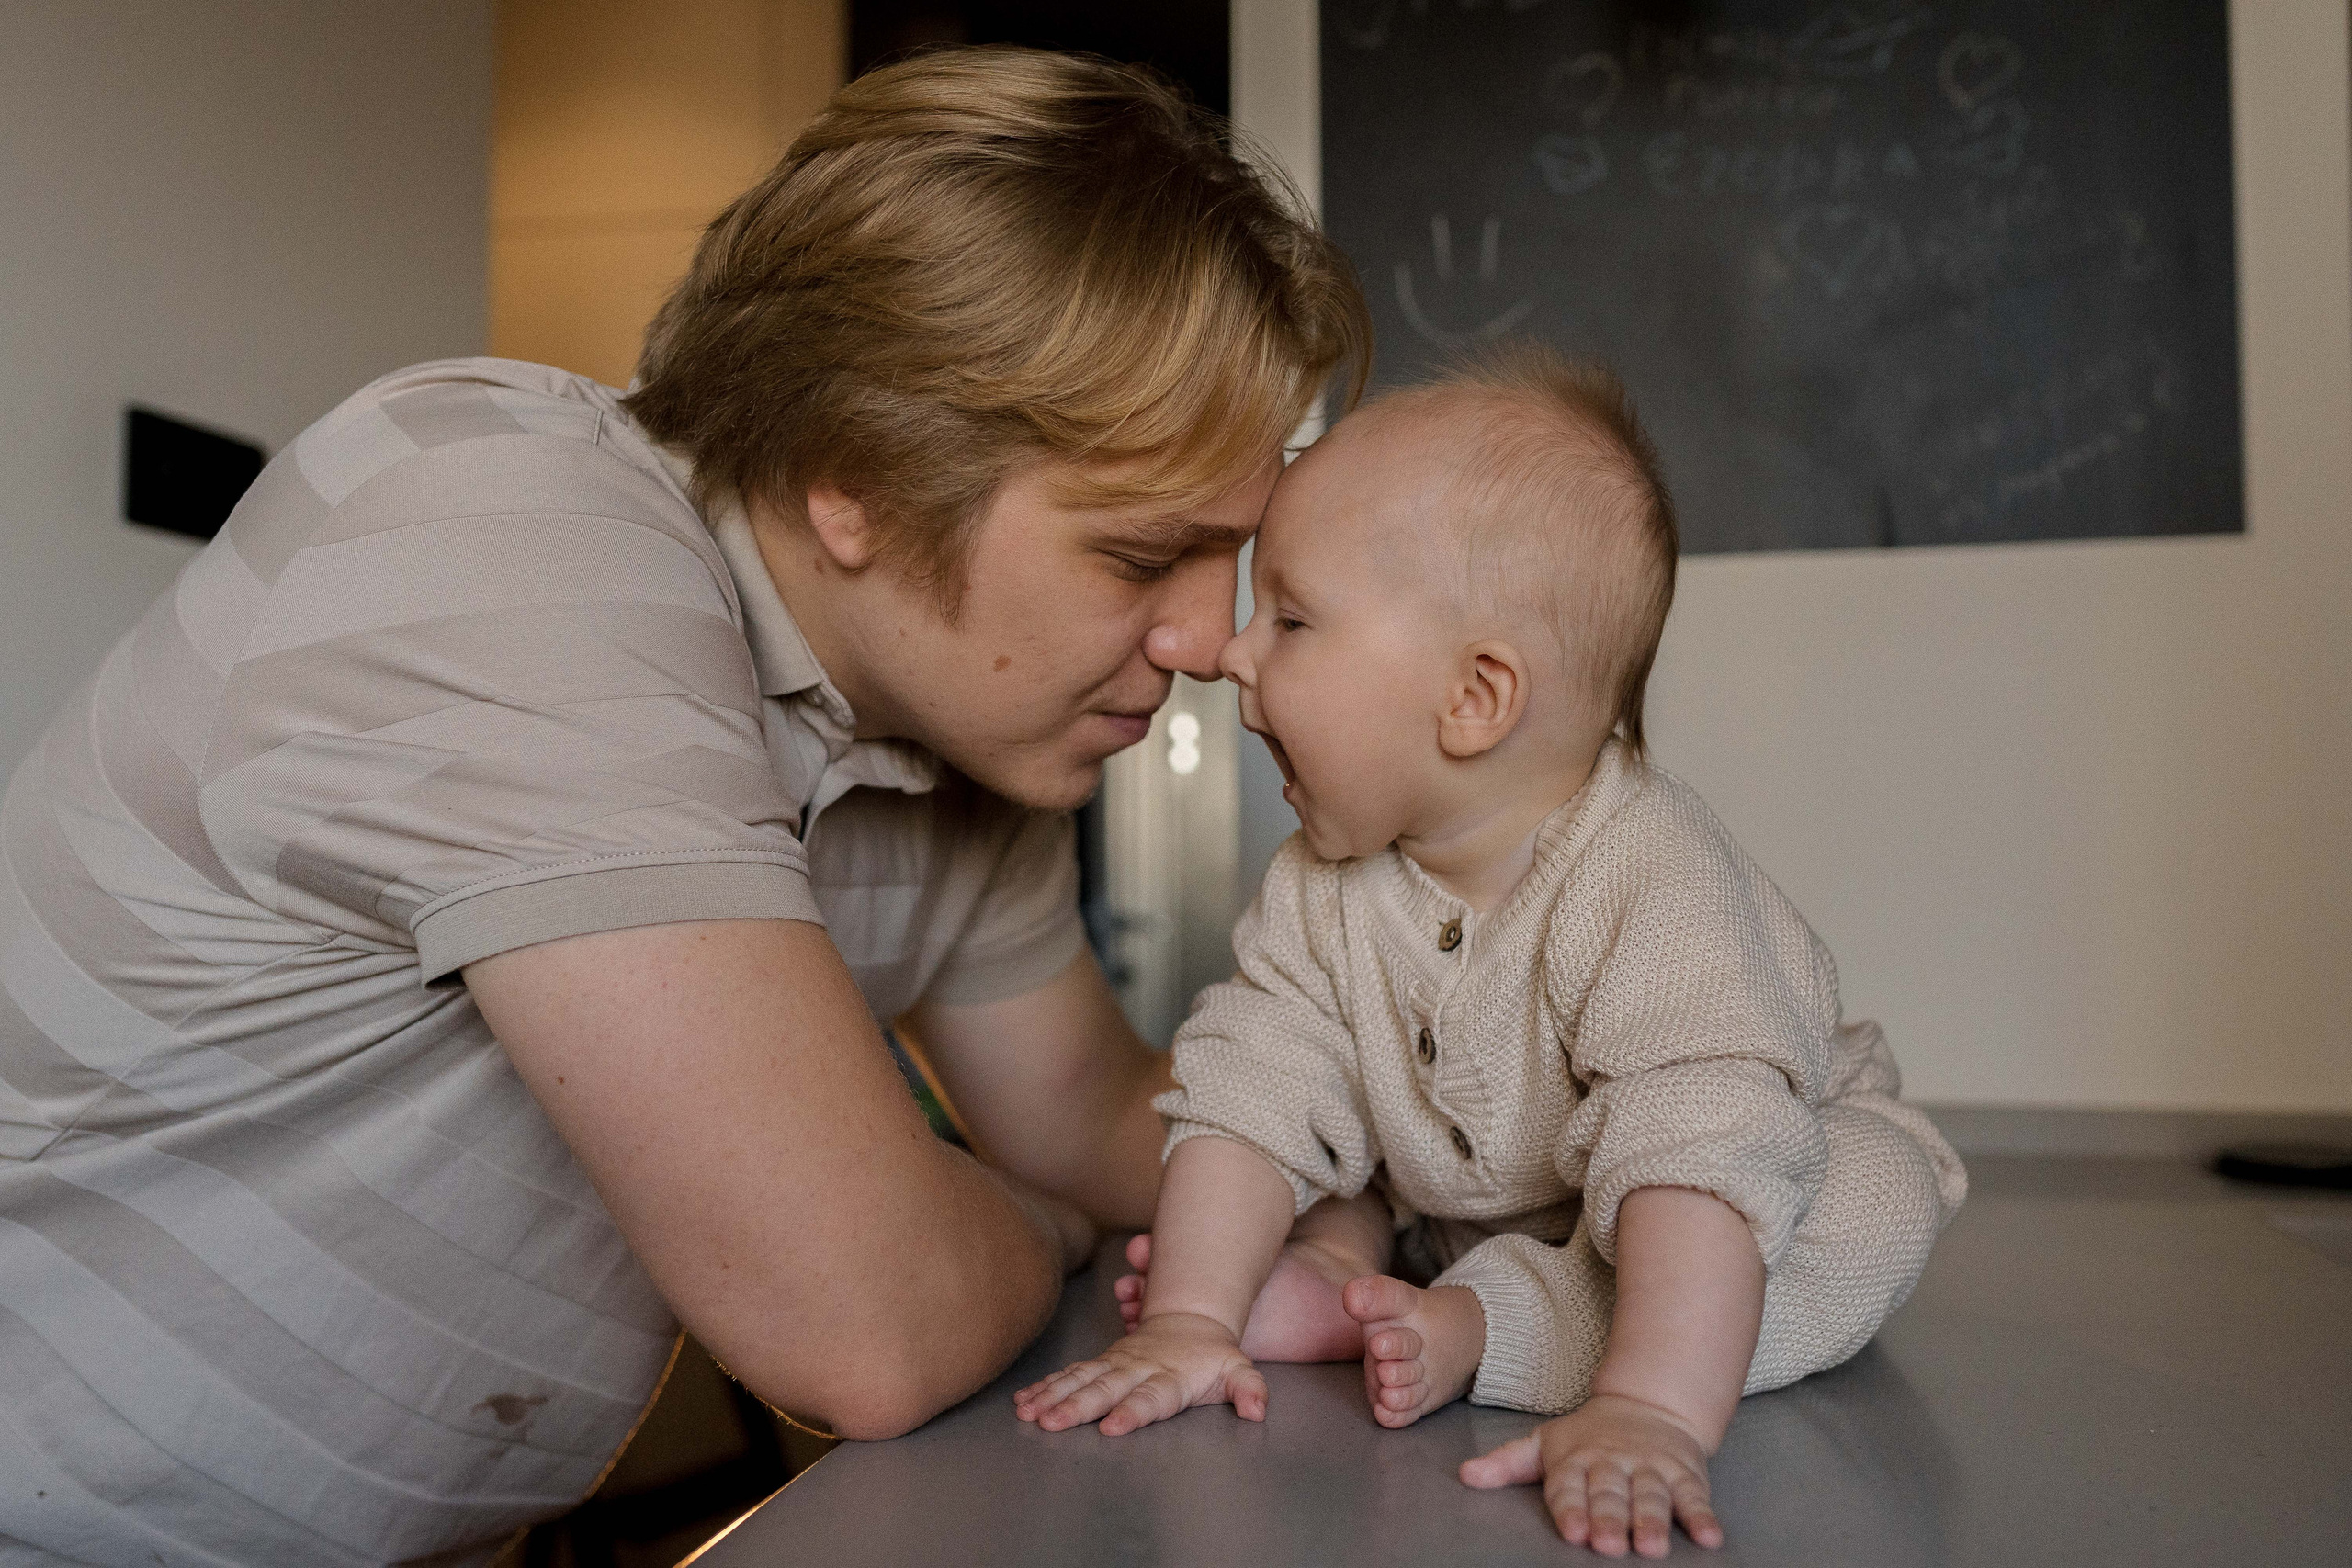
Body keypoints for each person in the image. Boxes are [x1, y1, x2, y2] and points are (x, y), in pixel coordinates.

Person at [0, 49, 1369, 1565]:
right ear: (852, 471)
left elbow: (1108, 1125)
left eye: (1224, 557)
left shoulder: (945, 751)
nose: (1202, 641)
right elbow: (863, 1322)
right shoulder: (507, 526)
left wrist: (1495, 1169)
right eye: (1136, 558)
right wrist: (1030, 1223)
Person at [1015, 345, 1967, 1558]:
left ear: (1475, 699)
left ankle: (1483, 1330)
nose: (1235, 657)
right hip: (1461, 1213)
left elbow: (1703, 1148)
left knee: (1851, 1212)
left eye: (1292, 618)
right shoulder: (1324, 883)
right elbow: (1249, 1088)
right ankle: (1340, 1281)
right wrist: (1191, 1318)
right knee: (1340, 1161)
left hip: (1725, 1193)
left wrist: (1645, 1409)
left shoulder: (1650, 877)